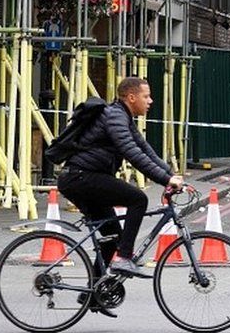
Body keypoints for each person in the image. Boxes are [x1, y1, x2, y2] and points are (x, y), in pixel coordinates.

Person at [58, 77, 183, 280]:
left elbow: (145, 150)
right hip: (80, 178)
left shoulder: (123, 116)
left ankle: (94, 295)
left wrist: (170, 175)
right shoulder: (115, 117)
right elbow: (132, 153)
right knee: (138, 199)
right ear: (131, 97)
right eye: (146, 96)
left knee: (113, 238)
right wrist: (165, 181)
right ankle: (124, 257)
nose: (150, 101)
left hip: (84, 178)